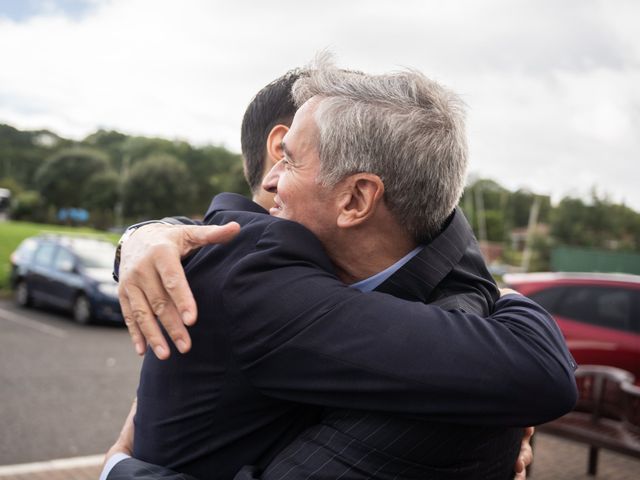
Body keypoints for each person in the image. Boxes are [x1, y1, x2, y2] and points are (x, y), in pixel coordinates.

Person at [103, 62, 575, 479]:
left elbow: (541, 372)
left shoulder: (448, 320)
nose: (269, 182)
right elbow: (540, 368)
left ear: (355, 199)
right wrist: (141, 236)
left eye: (289, 161)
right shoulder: (256, 272)